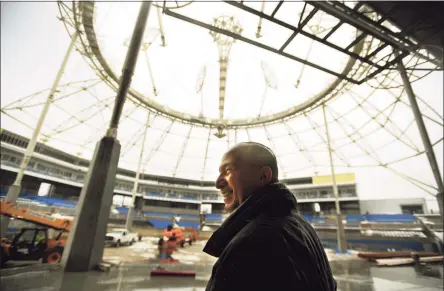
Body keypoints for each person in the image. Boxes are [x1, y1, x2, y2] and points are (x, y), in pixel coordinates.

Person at [203, 142, 336, 291]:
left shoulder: (253, 240)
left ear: (263, 176)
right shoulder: (302, 227)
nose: (218, 183)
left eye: (228, 171)